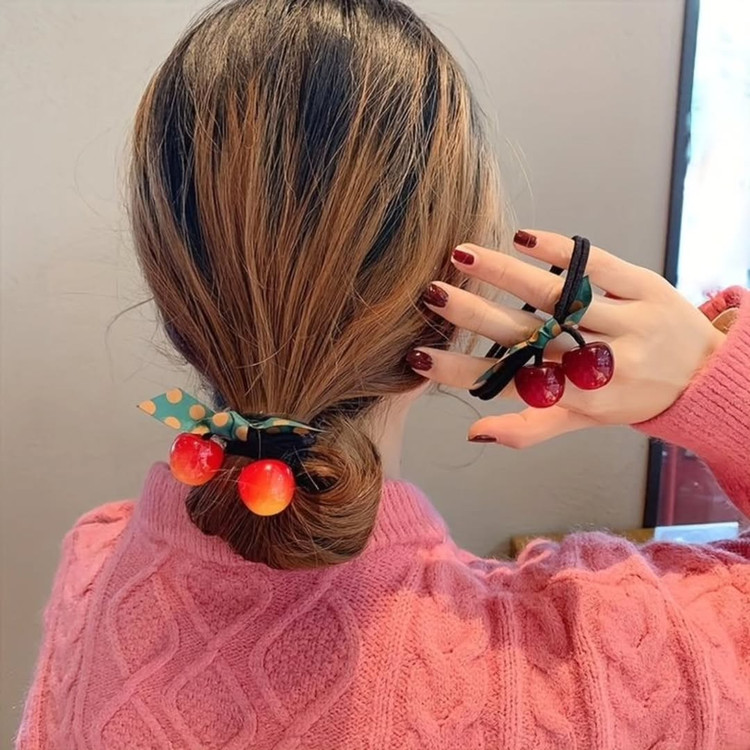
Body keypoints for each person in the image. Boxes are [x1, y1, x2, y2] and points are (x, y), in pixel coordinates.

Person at [16, 1, 750, 748]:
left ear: (176, 290)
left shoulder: (96, 577)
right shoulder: (605, 665)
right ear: (448, 306)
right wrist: (718, 382)